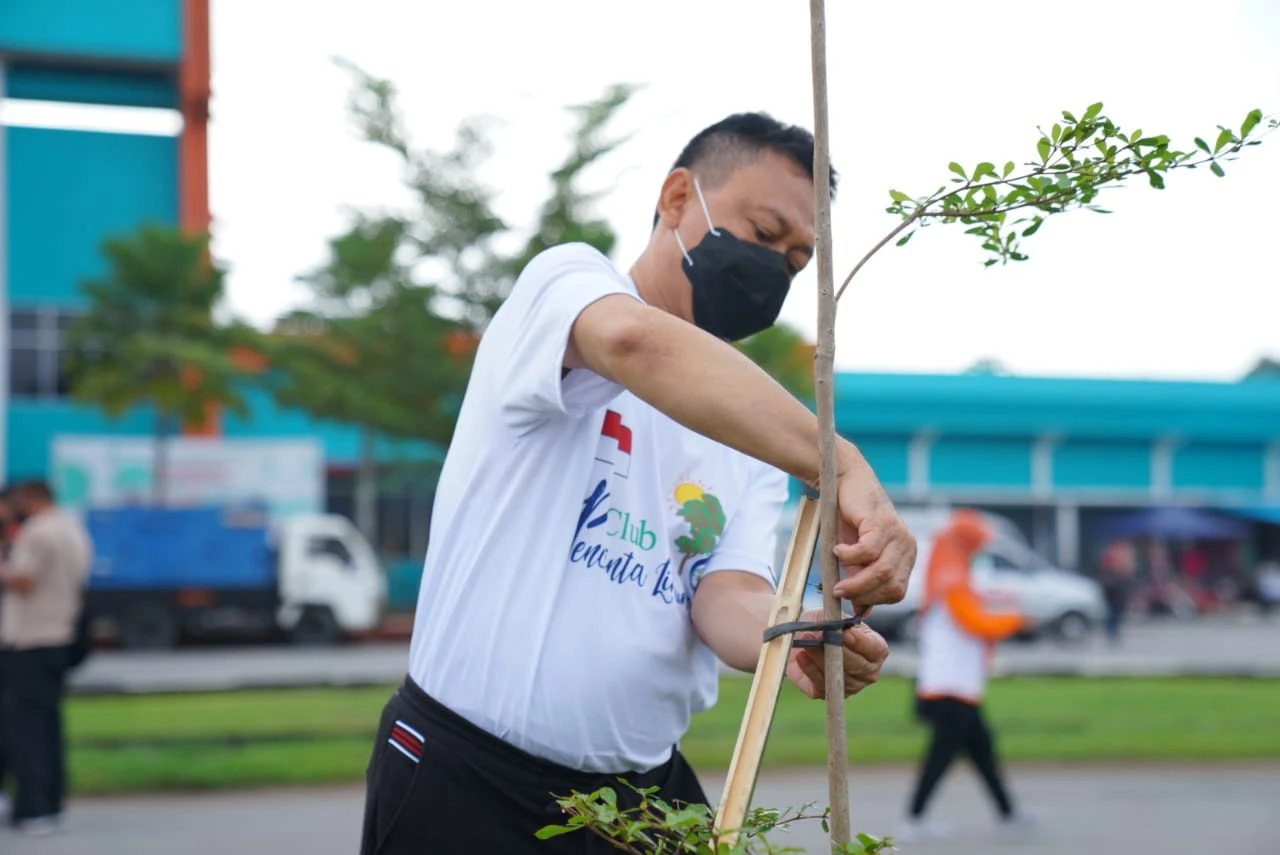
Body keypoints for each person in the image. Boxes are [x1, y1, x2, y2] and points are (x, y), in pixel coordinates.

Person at [358, 112, 918, 855]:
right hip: (469, 781)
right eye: (762, 231)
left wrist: (798, 631)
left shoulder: (751, 439)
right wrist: (838, 462)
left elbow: (723, 594)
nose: (772, 268)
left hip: (641, 801)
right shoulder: (566, 285)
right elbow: (632, 343)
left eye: (794, 258)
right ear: (679, 197)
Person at [898, 509, 1037, 842]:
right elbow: (974, 622)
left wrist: (1000, 605)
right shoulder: (951, 578)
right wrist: (1016, 621)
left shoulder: (949, 574)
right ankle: (914, 819)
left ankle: (1008, 813)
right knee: (942, 756)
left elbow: (971, 611)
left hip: (959, 686)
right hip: (950, 688)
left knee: (983, 751)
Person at [0, 479, 93, 835]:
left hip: (29, 638)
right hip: (59, 635)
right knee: (49, 727)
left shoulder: (37, 534)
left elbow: (24, 580)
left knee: (26, 730)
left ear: (30, 499)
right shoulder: (72, 528)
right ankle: (53, 802)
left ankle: (34, 807)